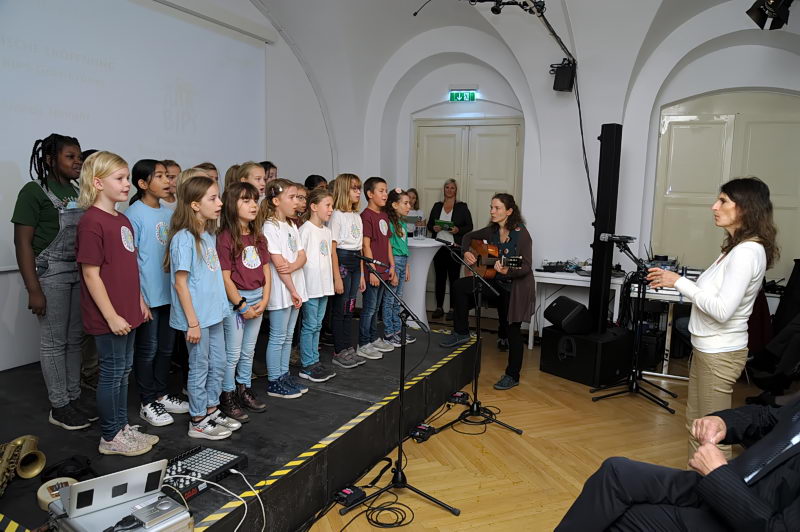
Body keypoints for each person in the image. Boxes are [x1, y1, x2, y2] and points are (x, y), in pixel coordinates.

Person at [648, 177, 778, 459]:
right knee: (697, 426)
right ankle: (696, 484)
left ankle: (716, 487)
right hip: (709, 349)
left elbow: (721, 310)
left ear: (745, 208)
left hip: (719, 353)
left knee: (712, 436)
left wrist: (678, 281)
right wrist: (679, 281)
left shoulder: (746, 253)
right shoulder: (735, 249)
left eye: (723, 201)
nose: (714, 207)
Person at [556, 399, 800, 531]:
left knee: (622, 519)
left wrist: (719, 476)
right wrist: (723, 421)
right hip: (727, 484)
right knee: (616, 472)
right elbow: (767, 416)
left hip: (739, 513)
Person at [12, 134, 95, 430]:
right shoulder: (33, 191)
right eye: (70, 157)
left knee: (74, 340)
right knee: (54, 342)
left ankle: (73, 397)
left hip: (77, 271)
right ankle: (59, 406)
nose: (78, 162)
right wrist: (34, 289)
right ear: (50, 160)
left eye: (79, 157)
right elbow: (22, 243)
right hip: (51, 273)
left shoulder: (77, 190)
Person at [76, 151, 154, 456]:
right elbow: (91, 274)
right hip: (110, 316)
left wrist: (139, 301)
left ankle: (122, 427)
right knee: (111, 372)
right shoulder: (91, 222)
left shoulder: (122, 219)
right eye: (119, 178)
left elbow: (129, 267)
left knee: (124, 370)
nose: (126, 184)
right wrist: (110, 316)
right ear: (98, 183)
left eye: (126, 178)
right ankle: (110, 436)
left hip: (128, 311)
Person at [166, 175, 240, 440]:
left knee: (218, 363)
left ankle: (211, 409)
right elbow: (180, 284)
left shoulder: (207, 235)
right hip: (197, 318)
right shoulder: (184, 239)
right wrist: (193, 323)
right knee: (200, 367)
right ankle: (197, 420)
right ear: (195, 205)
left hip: (214, 314)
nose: (219, 203)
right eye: (213, 198)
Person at [440, 193, 534, 391]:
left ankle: (512, 375)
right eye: (491, 207)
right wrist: (466, 251)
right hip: (496, 282)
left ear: (509, 211)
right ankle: (461, 332)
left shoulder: (521, 234)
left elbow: (526, 266)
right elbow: (467, 236)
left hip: (516, 288)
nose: (492, 211)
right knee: (460, 286)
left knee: (513, 331)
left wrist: (509, 270)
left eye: (497, 208)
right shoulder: (492, 230)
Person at [126, 160, 189, 428]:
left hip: (169, 293)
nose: (168, 181)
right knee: (148, 349)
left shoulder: (168, 213)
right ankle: (147, 400)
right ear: (143, 184)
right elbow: (131, 260)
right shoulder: (133, 214)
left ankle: (162, 394)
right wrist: (139, 297)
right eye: (160, 176)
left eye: (168, 176)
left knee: (166, 348)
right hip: (148, 296)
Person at [218, 182, 271, 422]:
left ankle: (244, 389)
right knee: (233, 353)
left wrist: (265, 299)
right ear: (232, 204)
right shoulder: (225, 237)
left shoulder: (258, 236)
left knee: (249, 350)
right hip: (237, 302)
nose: (253, 205)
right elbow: (225, 277)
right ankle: (227, 395)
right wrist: (241, 305)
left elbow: (266, 270)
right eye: (245, 200)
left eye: (255, 200)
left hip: (258, 299)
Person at [261, 179, 309, 398]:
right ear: (276, 201)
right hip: (283, 290)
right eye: (291, 197)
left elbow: (302, 256)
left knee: (289, 336)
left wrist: (294, 267)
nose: (296, 202)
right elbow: (279, 264)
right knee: (278, 336)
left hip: (294, 287)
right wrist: (293, 290)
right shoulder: (270, 227)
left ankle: (284, 374)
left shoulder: (291, 224)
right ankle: (274, 380)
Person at [297, 188, 337, 382]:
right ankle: (307, 364)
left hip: (324, 286)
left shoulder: (327, 232)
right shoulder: (305, 230)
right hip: (311, 287)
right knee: (310, 325)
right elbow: (300, 259)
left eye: (332, 206)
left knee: (318, 325)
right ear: (313, 207)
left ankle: (315, 360)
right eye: (327, 205)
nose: (331, 209)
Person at [328, 174, 367, 369]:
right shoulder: (336, 215)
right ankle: (339, 350)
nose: (358, 192)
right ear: (344, 190)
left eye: (359, 188)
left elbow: (359, 247)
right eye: (354, 188)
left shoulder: (356, 216)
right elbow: (332, 249)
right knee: (340, 307)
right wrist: (337, 276)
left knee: (350, 307)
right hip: (342, 260)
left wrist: (362, 274)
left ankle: (348, 347)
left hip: (355, 261)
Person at [358, 177, 396, 360]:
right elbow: (365, 245)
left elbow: (387, 242)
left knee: (377, 307)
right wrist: (371, 270)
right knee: (369, 309)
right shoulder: (366, 216)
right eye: (381, 191)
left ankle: (373, 338)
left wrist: (392, 265)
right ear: (370, 194)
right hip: (373, 270)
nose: (385, 194)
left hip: (384, 269)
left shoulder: (384, 215)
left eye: (386, 190)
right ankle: (363, 343)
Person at [427, 178, 473, 320]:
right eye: (447, 187)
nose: (449, 190)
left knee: (454, 279)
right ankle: (439, 307)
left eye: (452, 187)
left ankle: (453, 309)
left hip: (454, 248)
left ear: (456, 190)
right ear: (444, 189)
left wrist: (458, 230)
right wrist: (433, 227)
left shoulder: (462, 207)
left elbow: (469, 226)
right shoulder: (437, 206)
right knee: (439, 278)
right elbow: (429, 225)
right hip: (438, 247)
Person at [382, 188, 415, 347]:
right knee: (390, 299)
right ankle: (389, 333)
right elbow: (388, 246)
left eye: (409, 203)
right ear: (395, 205)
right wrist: (393, 269)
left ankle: (397, 330)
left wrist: (406, 266)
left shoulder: (402, 222)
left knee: (398, 299)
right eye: (406, 203)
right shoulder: (389, 222)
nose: (409, 206)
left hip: (402, 260)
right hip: (394, 261)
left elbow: (404, 245)